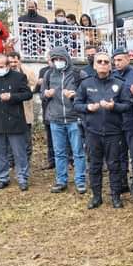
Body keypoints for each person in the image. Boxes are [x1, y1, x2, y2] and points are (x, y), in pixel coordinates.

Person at [75, 51, 131, 209]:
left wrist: (114, 106)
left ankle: (116, 196)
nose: (103, 64)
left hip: (114, 132)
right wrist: (87, 107)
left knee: (114, 165)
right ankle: (96, 196)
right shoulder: (86, 84)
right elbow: (77, 104)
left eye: (106, 62)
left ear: (110, 65)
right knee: (94, 165)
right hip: (93, 132)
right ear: (94, 65)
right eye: (99, 61)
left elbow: (128, 105)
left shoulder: (119, 84)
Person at [41, 46, 87, 194]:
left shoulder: (78, 74)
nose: (58, 61)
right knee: (59, 152)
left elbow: (87, 94)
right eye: (55, 59)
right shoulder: (48, 74)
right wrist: (46, 94)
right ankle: (61, 180)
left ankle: (80, 181)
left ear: (66, 58)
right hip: (56, 119)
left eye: (61, 59)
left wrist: (75, 95)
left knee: (78, 151)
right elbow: (41, 94)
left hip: (74, 119)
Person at [0, 54, 32, 191]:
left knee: (19, 151)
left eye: (1, 66)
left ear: (8, 65)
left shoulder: (18, 77)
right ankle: (2, 178)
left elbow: (28, 94)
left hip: (14, 120)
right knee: (0, 152)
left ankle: (22, 177)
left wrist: (12, 97)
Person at [112, 47, 133, 196]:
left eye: (120, 60)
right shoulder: (112, 76)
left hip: (131, 120)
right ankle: (123, 181)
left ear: (128, 59)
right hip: (116, 121)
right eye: (115, 60)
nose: (117, 63)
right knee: (120, 152)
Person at [7, 51, 39, 161]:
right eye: (10, 62)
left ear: (19, 61)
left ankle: (27, 158)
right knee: (9, 137)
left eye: (15, 61)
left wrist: (26, 90)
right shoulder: (4, 72)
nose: (13, 64)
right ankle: (11, 160)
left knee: (26, 136)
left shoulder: (28, 72)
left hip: (25, 108)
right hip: (9, 110)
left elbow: (34, 86)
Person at [37, 57, 56, 170]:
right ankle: (51, 160)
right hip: (48, 110)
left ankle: (70, 159)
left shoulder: (70, 72)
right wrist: (45, 93)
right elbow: (39, 92)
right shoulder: (45, 72)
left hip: (64, 112)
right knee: (50, 138)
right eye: (50, 59)